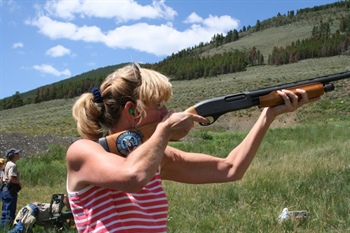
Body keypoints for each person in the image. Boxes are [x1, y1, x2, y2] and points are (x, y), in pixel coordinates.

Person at [66, 63, 319, 232]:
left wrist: (268, 115)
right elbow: (133, 176)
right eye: (159, 106)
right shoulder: (82, 152)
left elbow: (230, 169)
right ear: (133, 111)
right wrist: (164, 131)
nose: (168, 112)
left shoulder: (156, 158)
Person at [1, 148, 22, 227]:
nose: (18, 155)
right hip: (10, 190)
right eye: (16, 153)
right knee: (10, 211)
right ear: (11, 155)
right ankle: (8, 228)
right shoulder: (12, 165)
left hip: (5, 190)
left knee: (5, 211)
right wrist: (19, 183)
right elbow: (11, 178)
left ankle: (3, 228)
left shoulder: (7, 164)